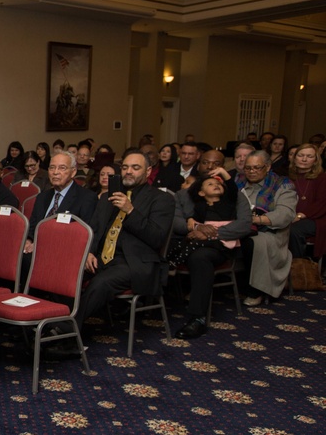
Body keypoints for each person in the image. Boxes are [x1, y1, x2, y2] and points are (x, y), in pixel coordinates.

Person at [47, 151, 174, 357]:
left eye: (135, 167)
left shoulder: (161, 199)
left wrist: (130, 210)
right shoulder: (108, 197)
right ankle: (57, 321)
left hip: (133, 262)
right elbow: (94, 230)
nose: (129, 172)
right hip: (102, 257)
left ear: (148, 171)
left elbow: (157, 237)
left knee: (101, 283)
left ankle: (67, 332)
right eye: (125, 167)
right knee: (63, 272)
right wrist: (89, 252)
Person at [171, 168, 250, 338]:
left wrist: (211, 233)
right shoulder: (186, 197)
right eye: (206, 163)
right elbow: (179, 222)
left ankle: (197, 319)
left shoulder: (231, 196)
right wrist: (195, 226)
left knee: (200, 257)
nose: (215, 183)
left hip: (221, 245)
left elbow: (244, 224)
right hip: (195, 242)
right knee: (187, 249)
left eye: (216, 165)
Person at [238, 151, 297, 306]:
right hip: (239, 227)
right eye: (248, 168)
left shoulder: (283, 184)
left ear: (268, 167)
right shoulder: (238, 182)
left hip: (270, 231)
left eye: (256, 167)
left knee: (253, 242)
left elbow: (285, 214)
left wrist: (257, 219)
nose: (251, 171)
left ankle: (255, 290)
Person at [23, 151, 97, 255]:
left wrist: (43, 245)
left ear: (73, 172)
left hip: (64, 253)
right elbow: (33, 227)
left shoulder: (86, 198)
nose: (55, 172)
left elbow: (83, 236)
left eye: (62, 168)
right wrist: (28, 241)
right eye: (52, 168)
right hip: (35, 252)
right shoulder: (42, 197)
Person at [288, 144, 326, 259]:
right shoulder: (287, 177)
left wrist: (299, 216)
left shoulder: (322, 178)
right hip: (290, 215)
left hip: (316, 219)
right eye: (301, 155)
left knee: (293, 230)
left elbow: (322, 203)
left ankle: (297, 267)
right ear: (294, 158)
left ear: (315, 160)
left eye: (309, 156)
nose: (304, 159)